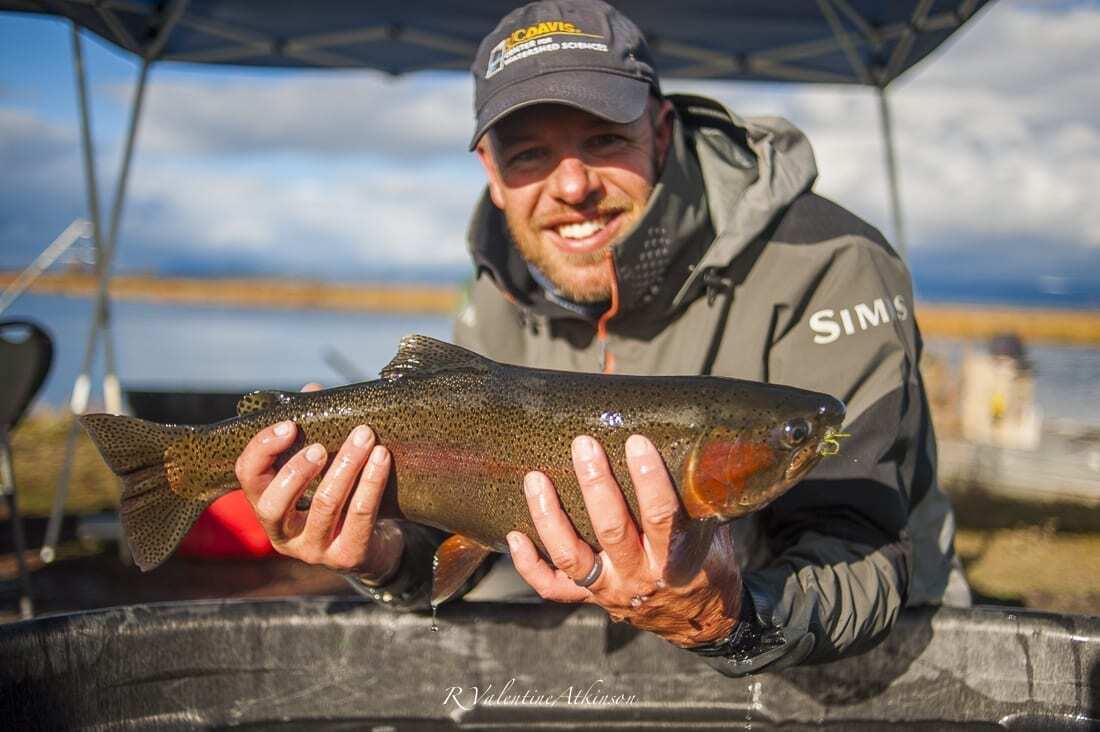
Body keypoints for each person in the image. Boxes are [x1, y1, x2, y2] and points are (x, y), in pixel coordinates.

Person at [233, 0, 969, 676]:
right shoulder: (498, 292)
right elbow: (456, 537)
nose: (573, 183)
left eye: (603, 138)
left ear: (660, 130)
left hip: (870, 672)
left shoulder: (829, 262)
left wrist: (729, 616)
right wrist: (381, 553)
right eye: (529, 154)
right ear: (491, 173)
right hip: (604, 668)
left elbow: (866, 552)